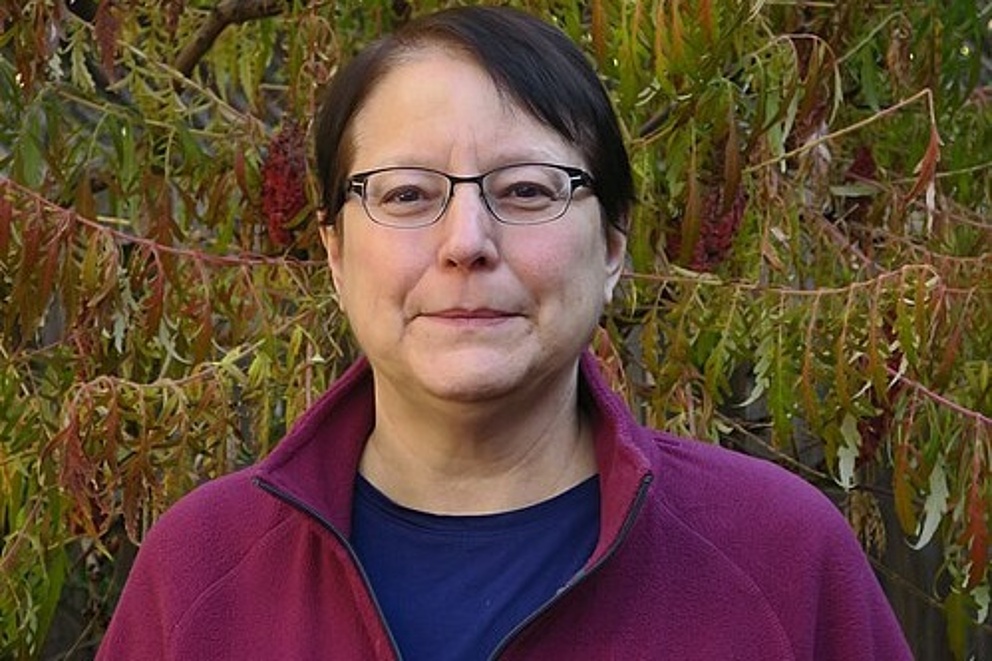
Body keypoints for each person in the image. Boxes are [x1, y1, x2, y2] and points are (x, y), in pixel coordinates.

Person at [98, 6, 912, 660]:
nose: (466, 241)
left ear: (613, 249)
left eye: (526, 190)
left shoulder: (780, 558)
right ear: (336, 254)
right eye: (408, 194)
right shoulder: (201, 572)